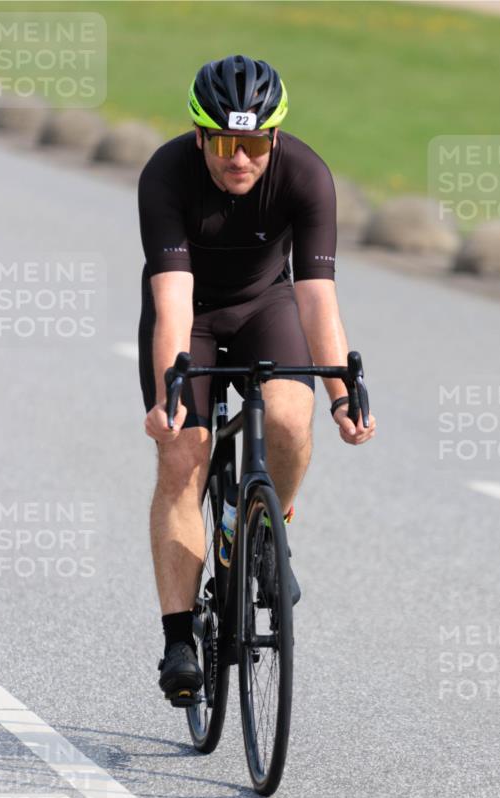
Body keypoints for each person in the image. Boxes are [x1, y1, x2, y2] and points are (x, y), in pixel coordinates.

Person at [137, 54, 376, 703]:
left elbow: (316, 296)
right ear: (199, 138)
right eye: (223, 143)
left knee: (290, 418)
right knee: (183, 455)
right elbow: (173, 302)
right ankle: (180, 639)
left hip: (267, 305)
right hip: (192, 317)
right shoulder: (166, 175)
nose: (237, 159)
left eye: (251, 143)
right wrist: (169, 394)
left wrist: (340, 397)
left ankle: (266, 532)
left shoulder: (304, 174)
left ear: (273, 137)